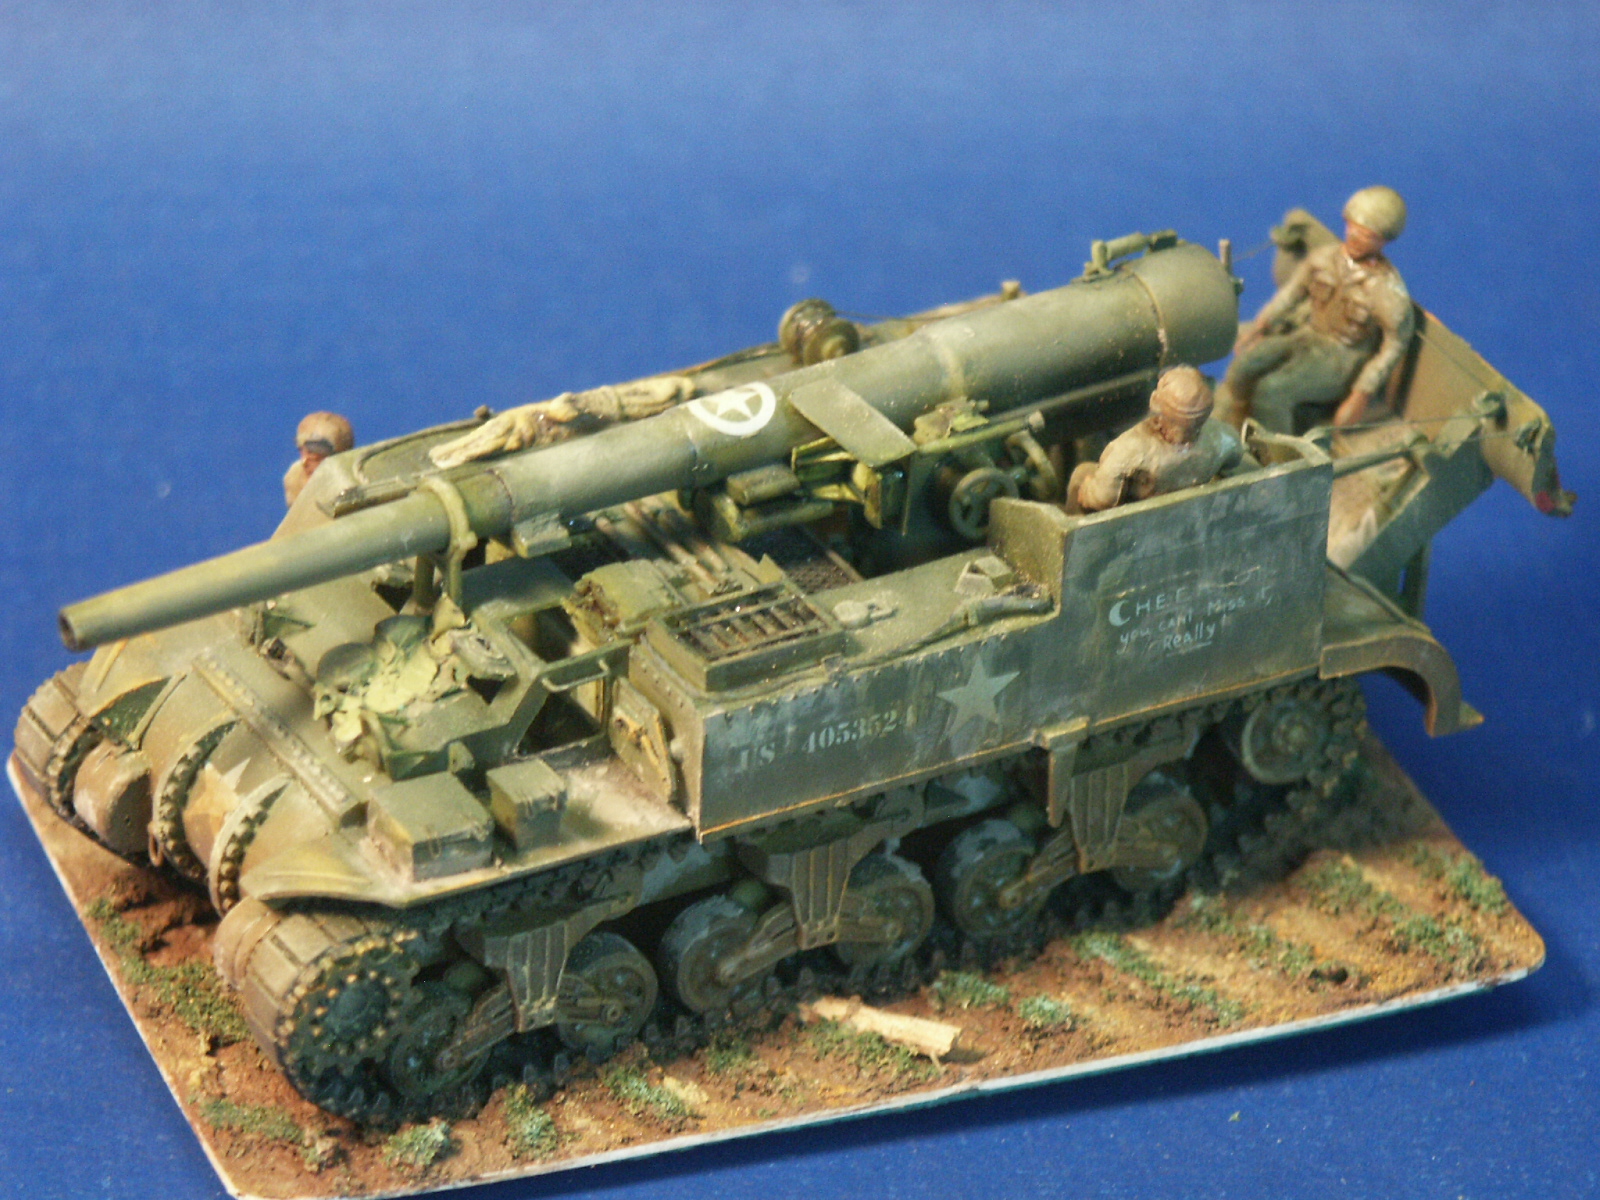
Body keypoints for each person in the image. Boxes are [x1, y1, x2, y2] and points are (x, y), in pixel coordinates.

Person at [1218, 186, 1414, 435]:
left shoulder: (1387, 291)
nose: (1354, 237)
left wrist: (1361, 393)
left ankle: (1278, 453)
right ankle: (1240, 423)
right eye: (1351, 227)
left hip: (1343, 360)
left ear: (1383, 240)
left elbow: (1395, 344)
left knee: (1273, 391)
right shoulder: (1323, 259)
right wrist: (1260, 326)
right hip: (1308, 337)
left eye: (1366, 235)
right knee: (1243, 368)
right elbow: (1290, 295)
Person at [1066, 365, 1243, 513]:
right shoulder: (1223, 437)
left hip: (1139, 516)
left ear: (1156, 403)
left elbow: (1103, 499)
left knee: (1081, 472)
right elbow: (1235, 460)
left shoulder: (1130, 448)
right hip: (1190, 509)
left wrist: (1087, 490)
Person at [283, 411, 355, 506]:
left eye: (313, 453)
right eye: (301, 450)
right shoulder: (297, 482)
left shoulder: (350, 487)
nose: (304, 462)